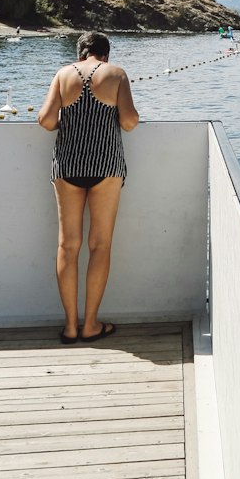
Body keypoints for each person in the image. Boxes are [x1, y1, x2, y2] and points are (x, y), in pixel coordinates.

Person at [37, 31, 139, 343]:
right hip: (105, 166)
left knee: (67, 246)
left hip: (67, 166)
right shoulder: (116, 74)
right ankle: (91, 324)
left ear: (80, 53)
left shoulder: (63, 74)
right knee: (100, 245)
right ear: (105, 54)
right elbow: (130, 121)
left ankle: (69, 326)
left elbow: (45, 120)